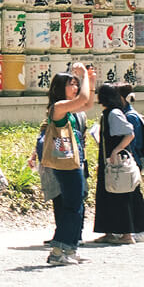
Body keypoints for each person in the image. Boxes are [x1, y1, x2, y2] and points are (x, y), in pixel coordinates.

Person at [38, 67, 94, 265]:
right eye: (71, 84)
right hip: (65, 162)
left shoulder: (66, 108)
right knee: (72, 205)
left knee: (76, 204)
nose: (76, 87)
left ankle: (69, 248)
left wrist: (91, 82)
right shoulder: (58, 106)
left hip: (71, 159)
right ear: (61, 87)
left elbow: (87, 104)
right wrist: (85, 76)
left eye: (76, 84)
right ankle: (58, 250)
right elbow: (82, 100)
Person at [92, 83, 144, 244]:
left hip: (117, 162)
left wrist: (116, 150)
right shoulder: (108, 113)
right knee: (107, 195)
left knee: (121, 195)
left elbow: (129, 134)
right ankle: (110, 231)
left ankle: (126, 234)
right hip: (108, 161)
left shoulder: (114, 113)